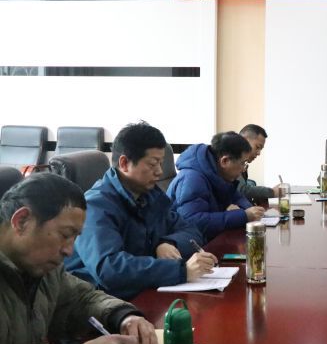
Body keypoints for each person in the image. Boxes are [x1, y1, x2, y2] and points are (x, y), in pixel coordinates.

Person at [0, 173, 158, 344]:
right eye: (65, 235)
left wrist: (123, 316)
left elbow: (81, 298)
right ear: (22, 221)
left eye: (74, 237)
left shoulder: (43, 268)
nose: (69, 250)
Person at [65, 122, 217, 300]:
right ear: (124, 163)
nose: (159, 172)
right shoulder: (95, 206)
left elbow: (191, 231)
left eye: (161, 163)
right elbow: (109, 269)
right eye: (153, 164)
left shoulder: (150, 196)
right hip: (101, 302)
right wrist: (181, 271)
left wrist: (167, 243)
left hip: (145, 290)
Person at [167, 131, 265, 242]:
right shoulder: (192, 179)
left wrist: (249, 211)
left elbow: (237, 197)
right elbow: (193, 222)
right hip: (187, 244)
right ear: (225, 161)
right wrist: (243, 216)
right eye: (243, 163)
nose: (243, 169)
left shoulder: (221, 173)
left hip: (211, 238)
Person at [237, 124, 277, 204]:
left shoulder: (242, 162)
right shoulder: (232, 159)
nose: (259, 153)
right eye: (257, 147)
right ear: (244, 141)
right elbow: (242, 190)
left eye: (261, 149)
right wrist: (272, 192)